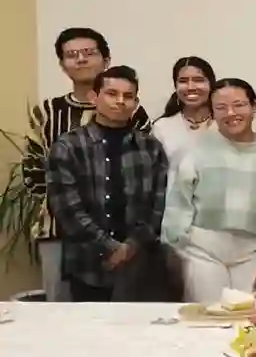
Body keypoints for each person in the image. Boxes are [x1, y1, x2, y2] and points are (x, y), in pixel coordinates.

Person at [23, 27, 150, 301]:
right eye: (71, 55)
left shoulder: (132, 111)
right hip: (59, 231)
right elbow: (33, 171)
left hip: (124, 236)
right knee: (64, 314)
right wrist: (71, 212)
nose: (80, 59)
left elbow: (144, 175)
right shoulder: (47, 112)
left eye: (89, 53)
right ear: (62, 64)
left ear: (106, 59)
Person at [161, 78, 256, 302]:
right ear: (212, 113)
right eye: (221, 108)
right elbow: (177, 203)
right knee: (205, 322)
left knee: (249, 324)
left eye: (239, 105)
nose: (231, 113)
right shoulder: (193, 150)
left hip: (251, 252)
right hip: (201, 251)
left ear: (254, 106)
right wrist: (177, 248)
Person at [45, 66, 168, 302]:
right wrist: (111, 247)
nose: (120, 102)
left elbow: (159, 205)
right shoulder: (68, 146)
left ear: (135, 102)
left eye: (128, 96)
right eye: (112, 94)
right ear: (94, 97)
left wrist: (131, 247)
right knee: (92, 335)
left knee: (143, 335)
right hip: (87, 264)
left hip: (141, 264)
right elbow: (67, 209)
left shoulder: (150, 147)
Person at [151, 56, 217, 168]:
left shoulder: (223, 124)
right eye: (183, 81)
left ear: (211, 84)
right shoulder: (162, 128)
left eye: (198, 80)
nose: (191, 87)